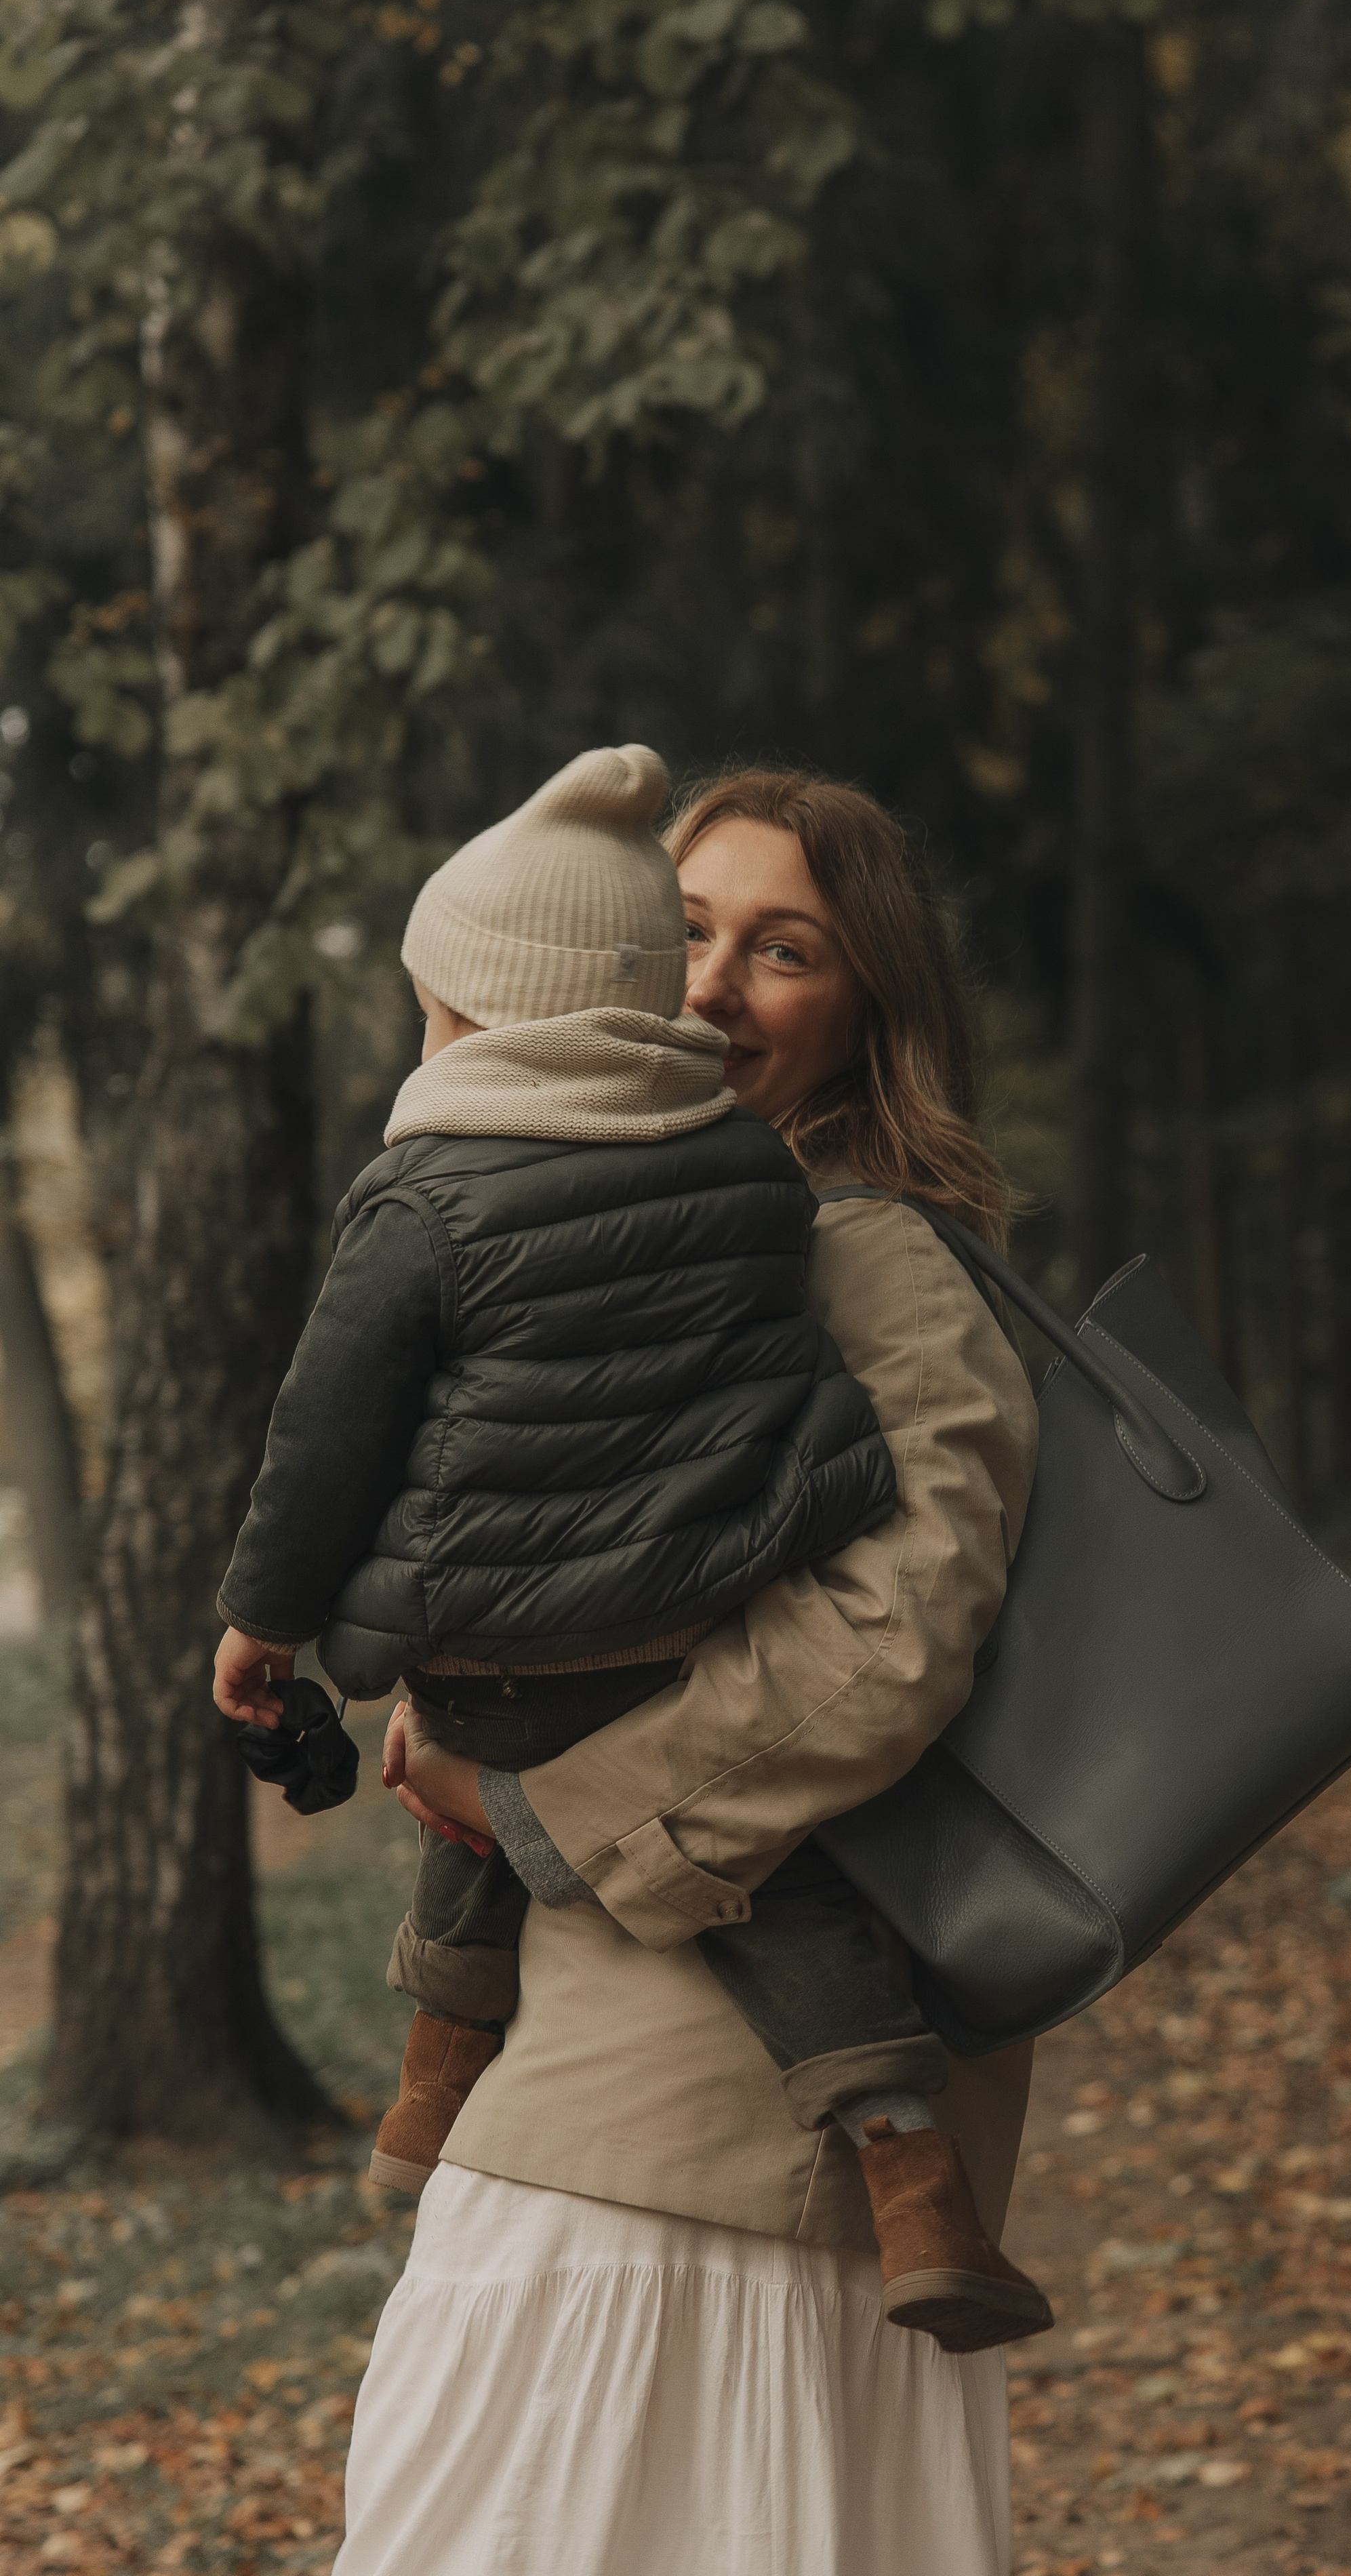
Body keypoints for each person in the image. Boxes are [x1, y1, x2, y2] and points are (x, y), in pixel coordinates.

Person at [210, 742, 1049, 2352]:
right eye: (684, 931)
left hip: (719, 2114)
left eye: (784, 950)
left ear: (869, 1014)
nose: (713, 987)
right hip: (597, 2040)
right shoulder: (576, 1233)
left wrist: (530, 1803)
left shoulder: (861, 1248)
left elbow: (894, 1642)